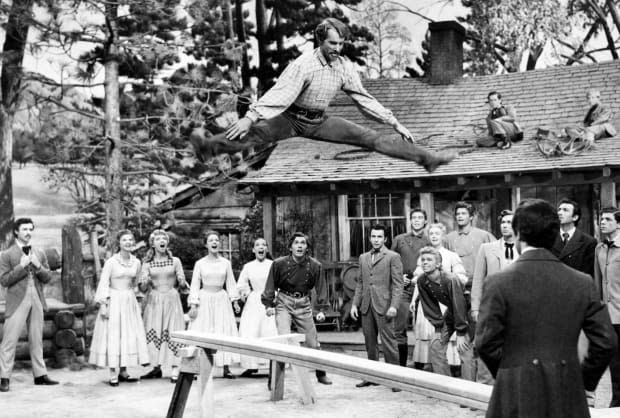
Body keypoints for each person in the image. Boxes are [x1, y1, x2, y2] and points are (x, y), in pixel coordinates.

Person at [190, 18, 457, 173]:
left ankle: (427, 159)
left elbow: (363, 99)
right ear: (321, 41)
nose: (337, 49)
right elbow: (281, 94)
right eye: (332, 43)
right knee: (252, 135)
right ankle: (208, 147)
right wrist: (250, 117)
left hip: (318, 120)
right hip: (288, 117)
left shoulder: (343, 67)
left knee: (371, 138)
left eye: (341, 44)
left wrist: (394, 122)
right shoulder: (303, 65)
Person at [476, 199, 617, 418]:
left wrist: (510, 373)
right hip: (567, 391)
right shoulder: (582, 282)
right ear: (554, 234)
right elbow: (605, 341)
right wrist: (581, 381)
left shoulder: (498, 283)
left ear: (518, 234)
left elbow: (485, 343)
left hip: (515, 393)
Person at [261, 232, 332, 385]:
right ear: (290, 247)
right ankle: (273, 380)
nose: (299, 246)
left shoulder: (315, 266)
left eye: (303, 243)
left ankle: (321, 373)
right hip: (283, 302)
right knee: (283, 340)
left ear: (307, 247)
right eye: (296, 243)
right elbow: (270, 285)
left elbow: (321, 288)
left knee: (312, 343)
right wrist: (268, 304)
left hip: (303, 303)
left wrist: (321, 309)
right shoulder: (279, 264)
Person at [0, 218, 58, 392]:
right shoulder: (7, 254)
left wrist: (38, 266)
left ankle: (40, 375)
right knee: (9, 340)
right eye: (24, 229)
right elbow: (4, 280)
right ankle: (4, 377)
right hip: (17, 300)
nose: (28, 232)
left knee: (36, 338)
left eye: (30, 229)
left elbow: (47, 278)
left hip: (37, 299)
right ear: (16, 232)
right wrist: (22, 266)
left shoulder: (39, 252)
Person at [89, 229, 150, 386]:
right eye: (125, 240)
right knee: (114, 335)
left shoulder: (136, 262)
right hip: (114, 300)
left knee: (127, 335)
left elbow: (137, 284)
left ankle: (124, 371)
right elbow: (103, 283)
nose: (128, 242)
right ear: (119, 243)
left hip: (129, 300)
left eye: (130, 240)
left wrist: (142, 287)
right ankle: (112, 373)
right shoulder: (111, 262)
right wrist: (104, 304)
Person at [351, 224, 403, 390]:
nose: (376, 240)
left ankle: (395, 379)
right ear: (369, 238)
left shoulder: (392, 256)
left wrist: (394, 305)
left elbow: (398, 284)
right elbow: (360, 282)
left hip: (385, 305)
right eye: (373, 236)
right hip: (366, 305)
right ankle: (372, 377)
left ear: (385, 239)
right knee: (370, 342)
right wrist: (354, 304)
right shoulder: (363, 257)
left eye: (379, 237)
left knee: (389, 342)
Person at [411, 223, 467, 372]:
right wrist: (438, 327)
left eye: (429, 260)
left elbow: (459, 304)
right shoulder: (422, 280)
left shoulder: (450, 279)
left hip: (467, 312)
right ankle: (444, 384)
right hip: (452, 312)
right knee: (436, 345)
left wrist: (461, 332)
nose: (425, 263)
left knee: (465, 348)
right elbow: (431, 306)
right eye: (423, 260)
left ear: (438, 264)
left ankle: (470, 389)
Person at [470, 209, 518, 385]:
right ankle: (484, 394)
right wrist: (475, 308)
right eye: (503, 222)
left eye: (510, 222)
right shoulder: (487, 249)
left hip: (516, 310)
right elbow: (477, 280)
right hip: (491, 309)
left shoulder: (525, 249)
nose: (505, 226)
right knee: (487, 348)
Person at [188, 230, 241, 379]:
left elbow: (231, 283)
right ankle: (197, 368)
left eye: (217, 240)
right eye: (211, 240)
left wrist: (234, 301)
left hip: (221, 300)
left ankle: (226, 367)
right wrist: (193, 303)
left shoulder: (226, 263)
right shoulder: (200, 264)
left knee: (222, 330)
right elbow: (194, 284)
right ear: (206, 244)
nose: (214, 243)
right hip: (204, 299)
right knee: (203, 331)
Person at [139, 229, 189, 383]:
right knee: (155, 331)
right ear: (152, 244)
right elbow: (142, 288)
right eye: (158, 239)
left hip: (172, 300)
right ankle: (156, 368)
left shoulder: (175, 261)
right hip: (154, 301)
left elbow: (183, 286)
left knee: (172, 331)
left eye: (164, 238)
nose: (162, 241)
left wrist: (181, 281)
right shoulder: (147, 263)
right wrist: (145, 282)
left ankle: (175, 369)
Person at [391, 208, 430, 367]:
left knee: (423, 326)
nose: (417, 220)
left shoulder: (429, 240)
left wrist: (418, 278)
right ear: (410, 220)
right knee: (399, 327)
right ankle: (401, 367)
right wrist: (399, 278)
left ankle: (422, 364)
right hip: (403, 288)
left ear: (425, 221)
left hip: (423, 288)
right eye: (414, 217)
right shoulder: (400, 239)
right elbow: (390, 261)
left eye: (420, 218)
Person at [237, 238, 277, 377]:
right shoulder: (248, 266)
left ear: (266, 249)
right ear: (253, 250)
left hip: (269, 301)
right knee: (251, 331)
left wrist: (275, 298)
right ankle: (251, 365)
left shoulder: (273, 265)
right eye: (257, 245)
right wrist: (245, 293)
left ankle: (273, 365)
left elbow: (279, 283)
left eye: (264, 245)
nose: (261, 247)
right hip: (254, 301)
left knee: (270, 331)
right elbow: (241, 284)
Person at [594, 207, 620, 407]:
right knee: (614, 360)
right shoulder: (600, 249)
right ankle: (617, 398)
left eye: (608, 219)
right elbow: (597, 281)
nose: (603, 222)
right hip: (608, 315)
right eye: (601, 219)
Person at [550, 198, 597, 277]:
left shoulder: (588, 242)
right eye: (559, 210)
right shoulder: (549, 238)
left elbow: (587, 274)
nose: (560, 213)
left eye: (565, 210)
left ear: (575, 217)